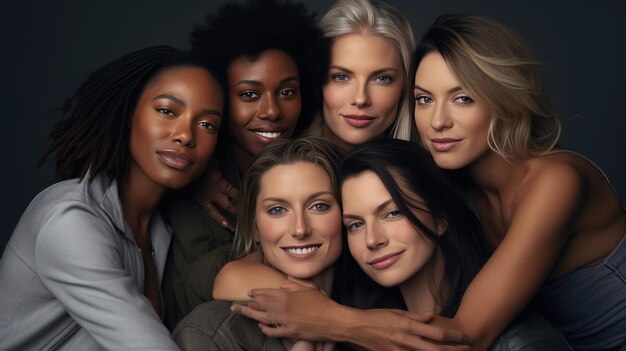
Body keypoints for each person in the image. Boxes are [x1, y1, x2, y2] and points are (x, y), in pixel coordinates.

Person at [226, 139, 571, 351]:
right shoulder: (360, 328)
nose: (373, 240)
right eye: (356, 224)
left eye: (392, 213)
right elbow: (232, 276)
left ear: (440, 216)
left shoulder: (521, 344)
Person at [410, 15, 625, 350]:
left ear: (503, 99)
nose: (437, 121)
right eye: (424, 99)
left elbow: (465, 337)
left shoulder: (556, 182)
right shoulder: (458, 192)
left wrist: (338, 323)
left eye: (463, 98)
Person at [0, 45, 223, 350]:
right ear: (130, 114)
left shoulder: (163, 226)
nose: (186, 135)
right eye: (167, 111)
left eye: (207, 124)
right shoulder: (70, 219)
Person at [163, 0, 325, 326]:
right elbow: (193, 293)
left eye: (287, 92)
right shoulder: (194, 181)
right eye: (249, 94)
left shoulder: (312, 166)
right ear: (220, 99)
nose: (271, 111)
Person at [172, 137, 344, 351]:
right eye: (277, 210)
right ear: (254, 227)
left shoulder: (380, 296)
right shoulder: (212, 334)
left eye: (319, 206)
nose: (300, 229)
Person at [307, 0, 415, 149]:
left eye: (382, 79)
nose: (360, 99)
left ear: (405, 85)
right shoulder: (281, 167)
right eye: (341, 77)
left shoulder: (428, 170)